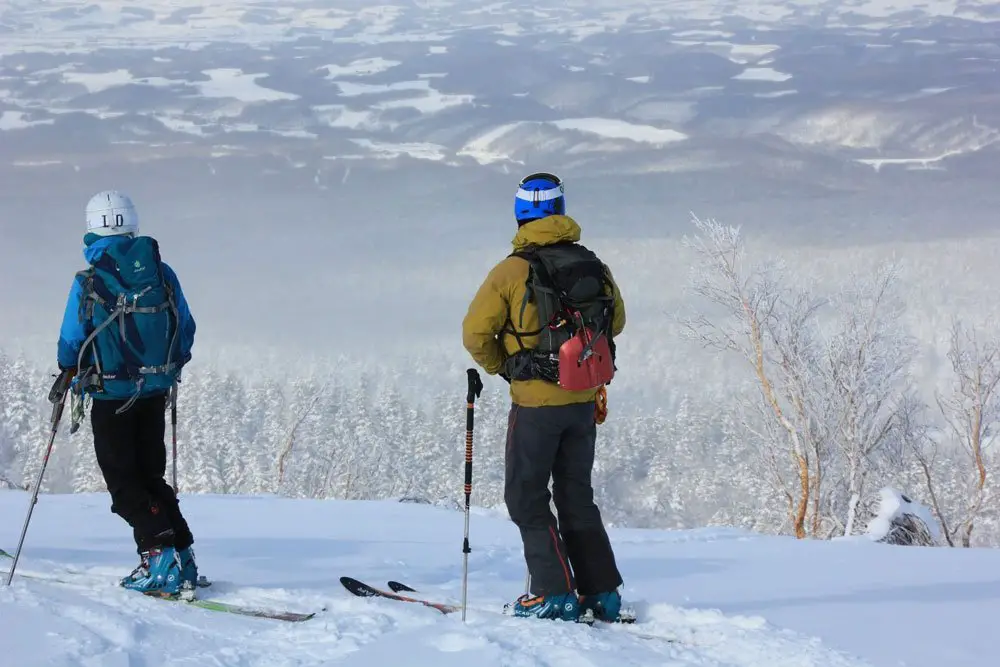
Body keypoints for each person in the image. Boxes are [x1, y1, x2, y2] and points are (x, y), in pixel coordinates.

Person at [461, 172, 627, 623]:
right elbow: (616, 324)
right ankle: (601, 594)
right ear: (561, 210)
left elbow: (475, 334)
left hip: (536, 406)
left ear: (519, 214)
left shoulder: (512, 270)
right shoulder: (593, 265)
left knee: (526, 496)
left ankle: (554, 594)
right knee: (576, 494)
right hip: (583, 400)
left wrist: (509, 367)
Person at [53, 190, 198, 597]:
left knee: (124, 484)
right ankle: (182, 556)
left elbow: (71, 338)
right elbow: (185, 325)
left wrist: (68, 369)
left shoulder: (88, 281)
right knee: (150, 475)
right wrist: (169, 369)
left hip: (110, 392)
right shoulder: (161, 272)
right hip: (155, 388)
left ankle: (157, 556)